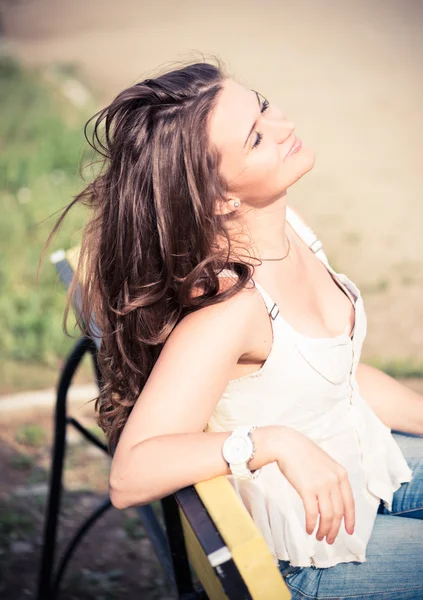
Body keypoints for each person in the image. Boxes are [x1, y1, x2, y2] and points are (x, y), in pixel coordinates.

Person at [47, 60, 423, 599]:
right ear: (220, 196)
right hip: (311, 554)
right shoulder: (229, 308)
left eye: (263, 106)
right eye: (256, 137)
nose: (284, 126)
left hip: (363, 467)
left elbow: (335, 378)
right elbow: (130, 474)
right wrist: (274, 442)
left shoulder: (288, 228)